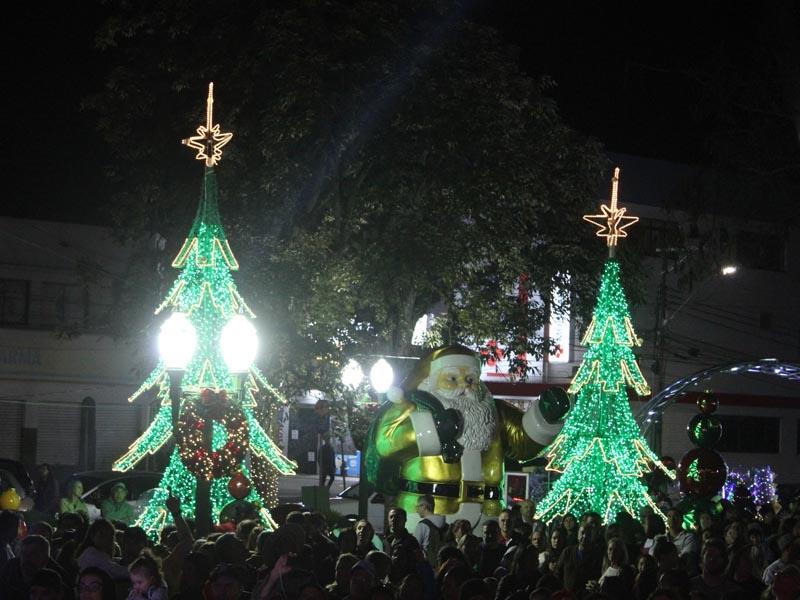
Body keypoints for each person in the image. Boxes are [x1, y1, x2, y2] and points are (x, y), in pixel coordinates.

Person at [365, 345, 567, 523]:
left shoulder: (493, 413)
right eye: (452, 378)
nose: (464, 385)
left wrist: (545, 415)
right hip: (429, 512)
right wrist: (432, 428)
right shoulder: (412, 405)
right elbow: (385, 443)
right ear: (431, 380)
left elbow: (522, 444)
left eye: (470, 379)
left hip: (488, 514)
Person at [555, 524, 602, 594]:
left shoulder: (597, 555)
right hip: (568, 595)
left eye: (588, 534)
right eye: (582, 533)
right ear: (577, 534)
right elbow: (558, 572)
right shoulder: (568, 551)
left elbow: (598, 576)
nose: (585, 536)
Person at [414, 494, 445, 566]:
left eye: (417, 506)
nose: (416, 510)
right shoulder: (445, 525)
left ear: (424, 506)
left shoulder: (422, 525)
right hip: (442, 566)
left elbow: (414, 547)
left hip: (428, 566)